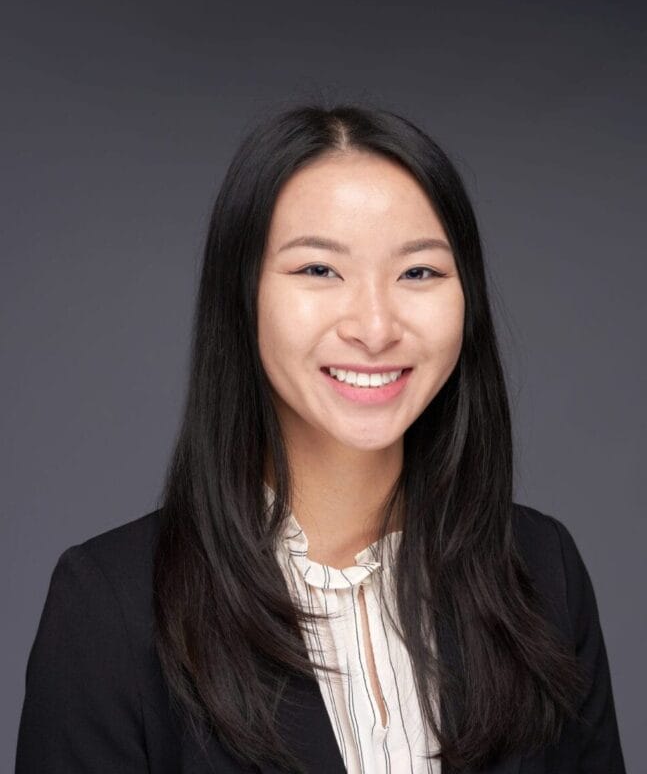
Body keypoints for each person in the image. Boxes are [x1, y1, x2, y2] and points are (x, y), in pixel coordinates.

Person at [15, 103, 626, 774]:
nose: (373, 325)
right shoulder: (113, 604)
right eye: (317, 270)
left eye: (418, 272)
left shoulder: (540, 570)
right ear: (241, 296)